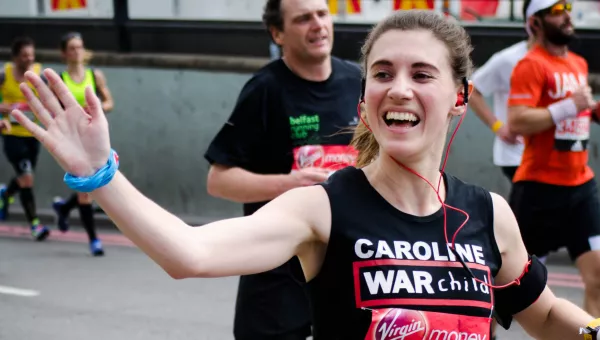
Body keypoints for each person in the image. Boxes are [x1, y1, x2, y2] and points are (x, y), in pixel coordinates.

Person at [11, 9, 600, 340]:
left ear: (458, 97)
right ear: (365, 92)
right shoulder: (323, 207)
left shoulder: (489, 214)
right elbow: (188, 253)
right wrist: (100, 175)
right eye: (382, 72)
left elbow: (543, 312)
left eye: (422, 74)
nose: (398, 87)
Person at [204, 0, 361, 338]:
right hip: (277, 270)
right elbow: (219, 181)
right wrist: (292, 184)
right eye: (303, 19)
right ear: (278, 33)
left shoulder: (358, 82)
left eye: (322, 14)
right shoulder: (264, 90)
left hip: (348, 266)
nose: (318, 25)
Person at [507, 0, 600, 317]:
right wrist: (568, 106)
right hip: (538, 190)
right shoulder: (530, 65)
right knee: (511, 287)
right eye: (557, 11)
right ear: (535, 22)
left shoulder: (578, 63)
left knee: (598, 279)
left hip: (581, 187)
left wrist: (591, 109)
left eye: (567, 9)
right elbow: (517, 120)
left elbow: (580, 110)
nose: (567, 16)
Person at [51, 32, 114, 257]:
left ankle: (64, 207)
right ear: (64, 53)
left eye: (80, 47)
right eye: (72, 48)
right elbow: (54, 110)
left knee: (93, 184)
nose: (77, 52)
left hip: (94, 137)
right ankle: (94, 240)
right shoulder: (61, 79)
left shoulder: (94, 75)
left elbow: (109, 101)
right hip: (73, 139)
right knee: (87, 188)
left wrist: (97, 109)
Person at [469, 4, 539, 183]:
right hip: (517, 155)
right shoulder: (508, 59)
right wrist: (497, 126)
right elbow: (472, 90)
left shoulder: (566, 59)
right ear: (534, 23)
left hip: (553, 157)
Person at [0, 36, 50, 241]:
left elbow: (48, 98)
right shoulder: (4, 74)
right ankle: (35, 225)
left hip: (33, 133)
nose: (29, 58)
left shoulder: (40, 75)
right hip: (11, 133)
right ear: (15, 57)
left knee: (24, 176)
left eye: (31, 54)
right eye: (24, 55)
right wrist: (3, 110)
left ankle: (5, 195)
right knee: (27, 178)